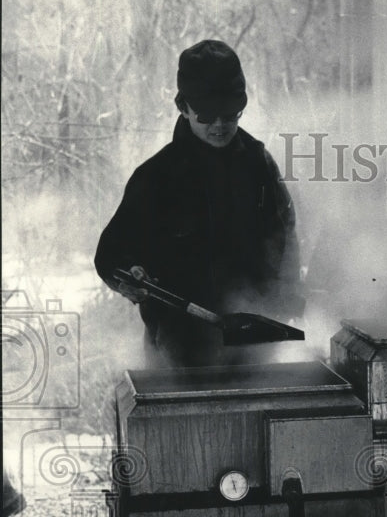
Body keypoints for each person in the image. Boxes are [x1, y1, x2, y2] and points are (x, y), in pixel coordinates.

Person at [95, 39, 303, 367]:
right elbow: (110, 256)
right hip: (178, 350)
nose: (219, 126)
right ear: (184, 107)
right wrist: (130, 276)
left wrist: (288, 294)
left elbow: (283, 233)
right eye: (206, 115)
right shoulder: (156, 176)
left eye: (229, 114)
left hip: (253, 345)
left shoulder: (259, 165)